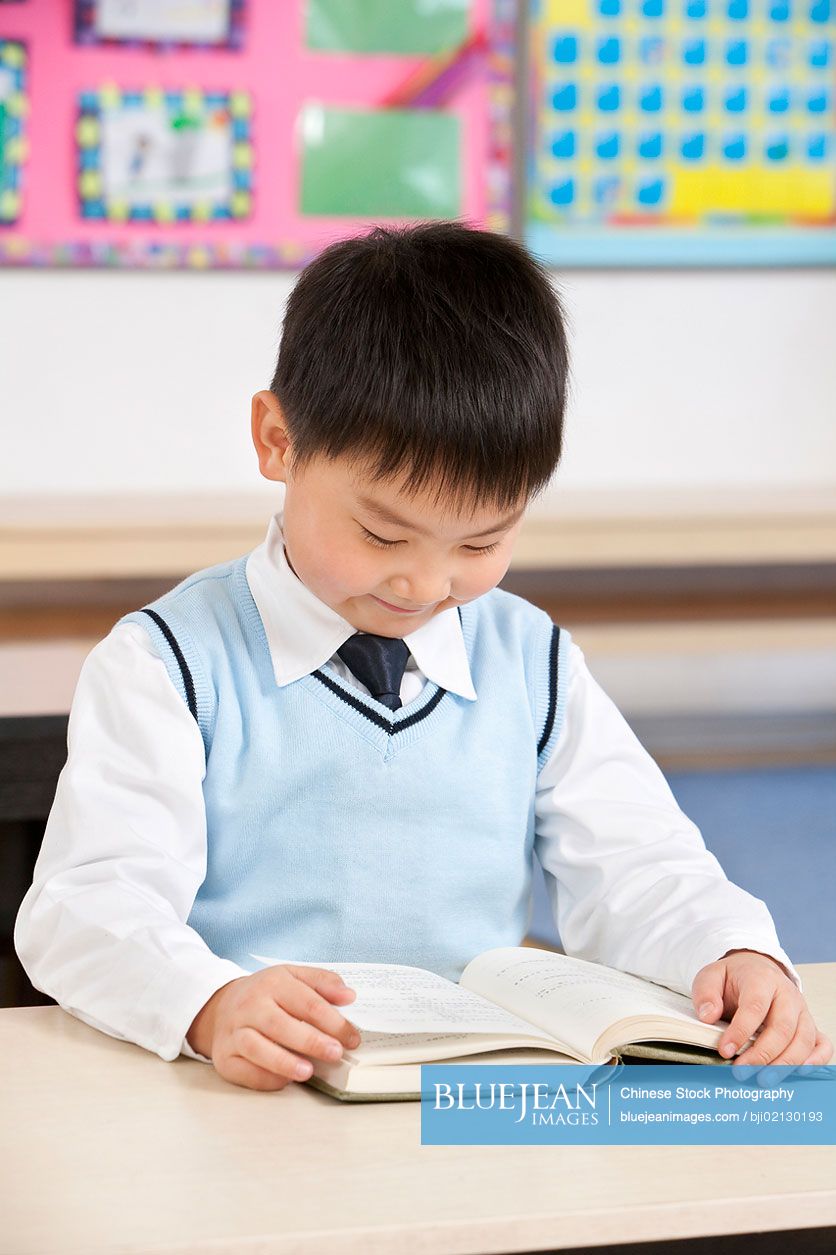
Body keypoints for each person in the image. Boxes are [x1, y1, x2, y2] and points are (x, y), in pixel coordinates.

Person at [15, 222, 831, 1092]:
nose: (424, 582)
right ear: (277, 442)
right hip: (251, 1092)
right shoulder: (169, 663)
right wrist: (209, 1002)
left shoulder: (533, 661)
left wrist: (730, 949)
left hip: (468, 1088)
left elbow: (639, 863)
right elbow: (86, 907)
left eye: (481, 543)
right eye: (381, 532)